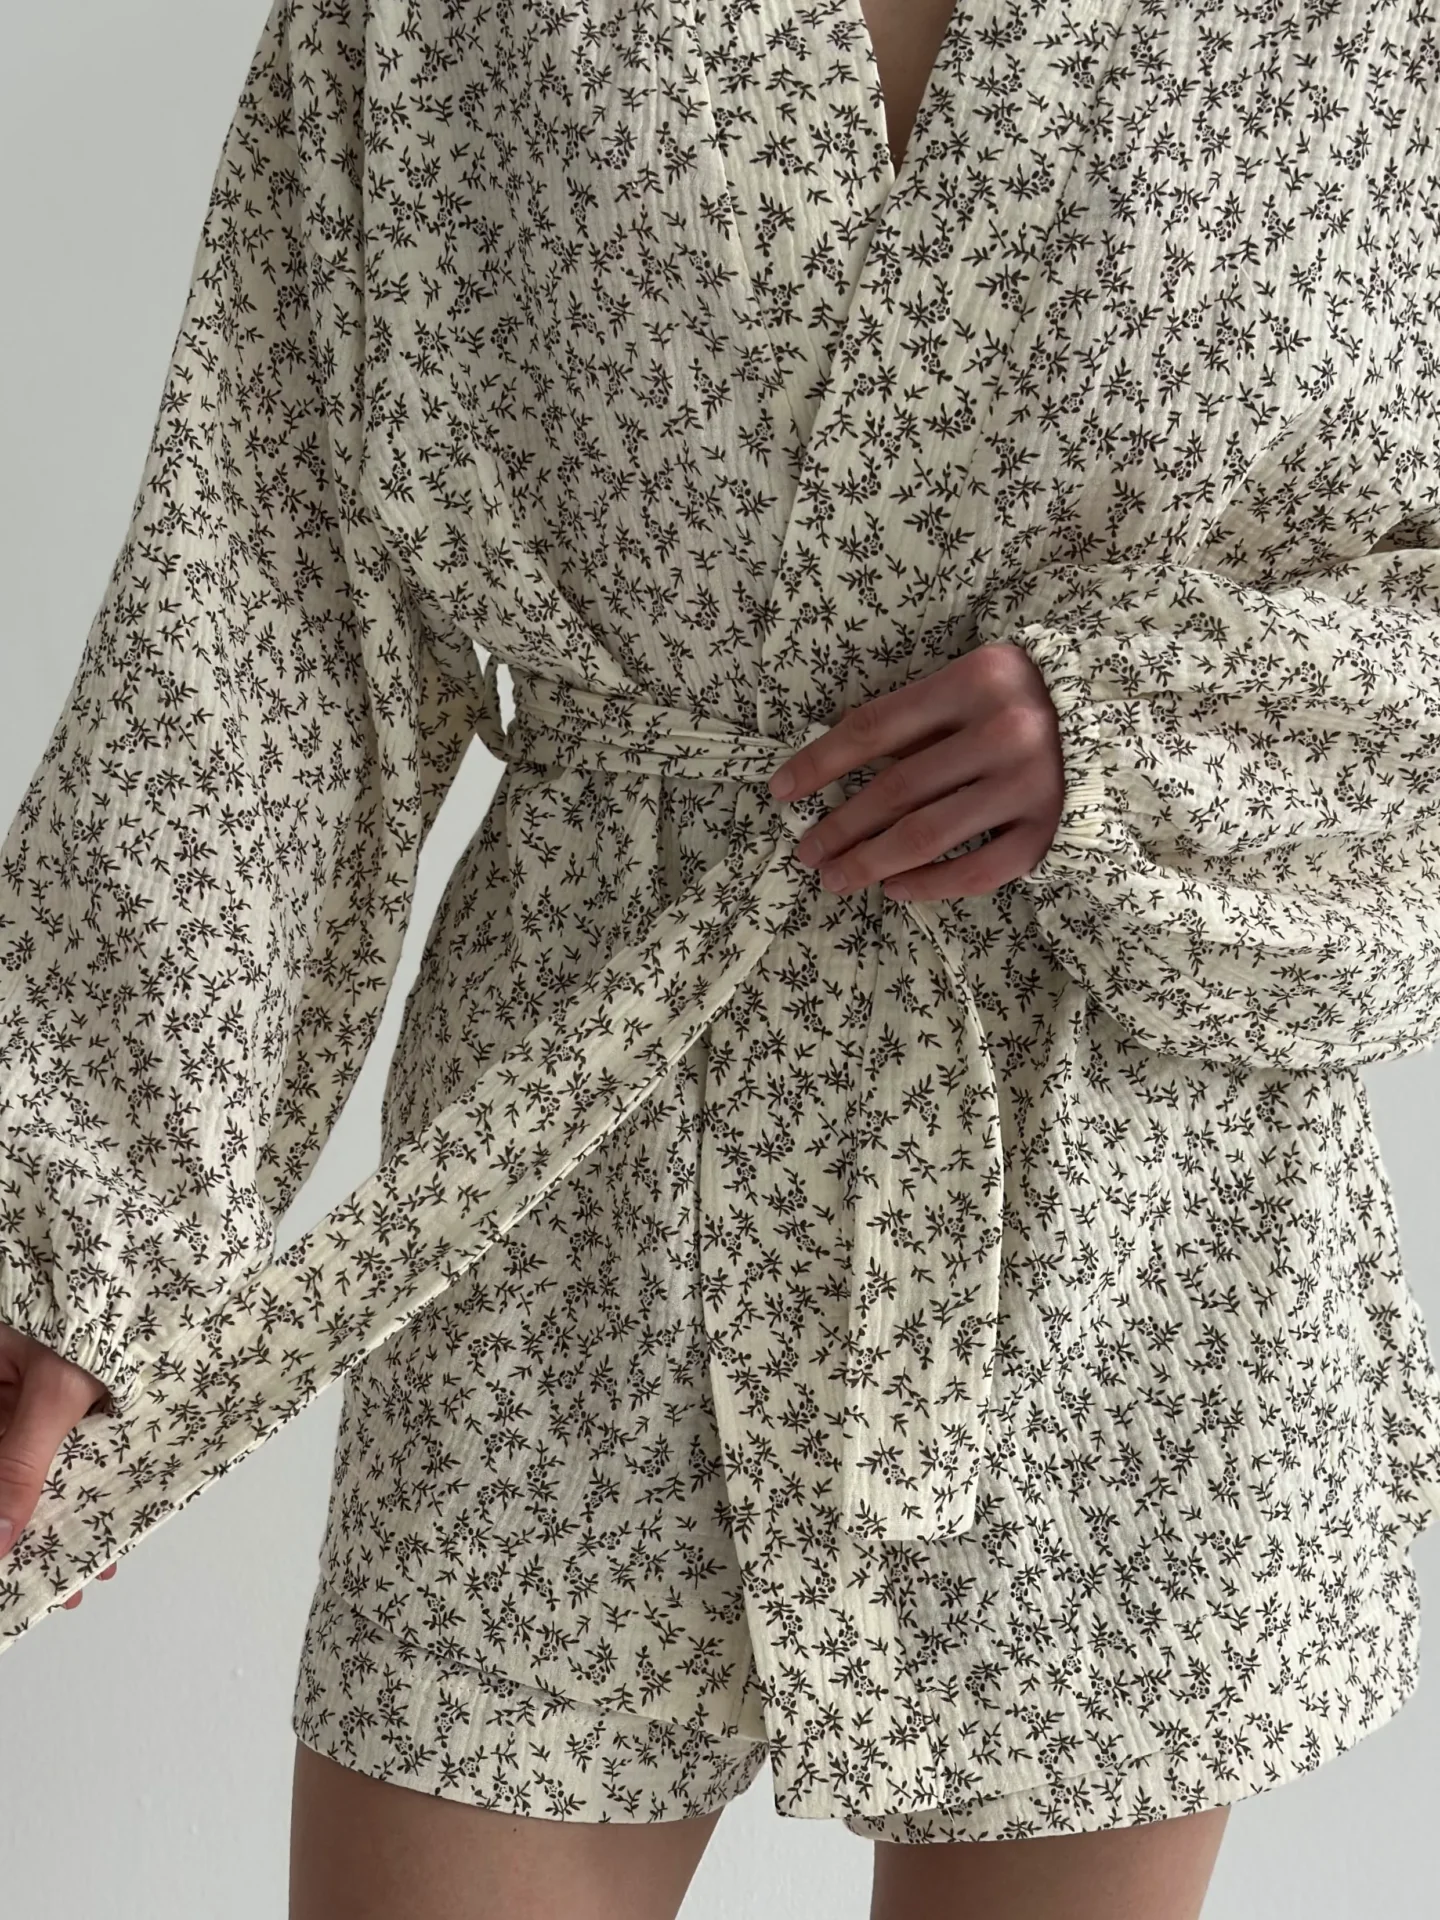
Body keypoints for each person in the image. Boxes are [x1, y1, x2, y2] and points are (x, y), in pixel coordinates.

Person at [3, 0, 1440, 1915]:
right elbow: (269, 592)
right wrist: (73, 1235)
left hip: (1130, 1191)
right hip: (576, 1163)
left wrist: (1152, 731)